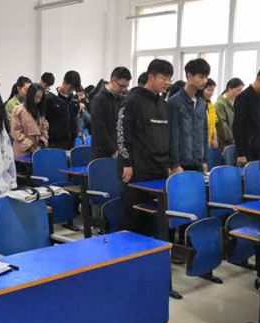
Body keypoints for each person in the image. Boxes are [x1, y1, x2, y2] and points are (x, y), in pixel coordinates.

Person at [118, 59, 173, 235]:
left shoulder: (163, 104)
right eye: (163, 78)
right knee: (135, 218)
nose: (167, 82)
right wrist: (126, 163)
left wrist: (170, 164)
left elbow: (167, 136)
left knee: (155, 218)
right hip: (137, 170)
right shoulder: (131, 101)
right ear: (151, 77)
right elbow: (121, 133)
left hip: (159, 168)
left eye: (169, 79)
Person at [168, 59, 210, 173]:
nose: (204, 81)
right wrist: (175, 164)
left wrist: (204, 160)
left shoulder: (201, 103)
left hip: (198, 162)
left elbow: (204, 133)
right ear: (189, 76)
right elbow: (173, 135)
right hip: (181, 164)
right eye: (201, 77)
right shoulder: (175, 102)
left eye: (206, 77)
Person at [90, 67, 132, 160]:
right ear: (113, 81)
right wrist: (113, 150)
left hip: (118, 151)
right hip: (102, 154)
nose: (124, 89)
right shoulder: (98, 99)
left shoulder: (121, 99)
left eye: (126, 86)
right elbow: (99, 129)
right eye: (121, 86)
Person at [45, 70, 81, 150]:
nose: (71, 91)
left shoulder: (74, 100)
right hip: (54, 143)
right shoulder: (50, 98)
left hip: (71, 142)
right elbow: (44, 121)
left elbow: (75, 118)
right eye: (70, 88)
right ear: (64, 82)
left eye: (74, 89)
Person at [11, 83, 49, 158]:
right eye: (35, 97)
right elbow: (16, 132)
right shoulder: (19, 110)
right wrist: (31, 147)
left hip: (37, 152)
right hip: (21, 152)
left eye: (40, 98)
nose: (37, 100)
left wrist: (40, 144)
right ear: (29, 95)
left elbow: (44, 131)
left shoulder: (39, 112)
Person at [214, 78, 244, 151]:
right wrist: (234, 140)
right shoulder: (220, 104)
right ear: (230, 89)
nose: (240, 93)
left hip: (235, 142)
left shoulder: (236, 102)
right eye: (238, 90)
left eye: (241, 90)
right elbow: (222, 125)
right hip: (225, 144)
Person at [201, 78, 218, 150]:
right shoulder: (197, 105)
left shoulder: (211, 106)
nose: (211, 93)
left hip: (209, 143)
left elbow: (213, 124)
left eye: (212, 90)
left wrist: (214, 138)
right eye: (209, 90)